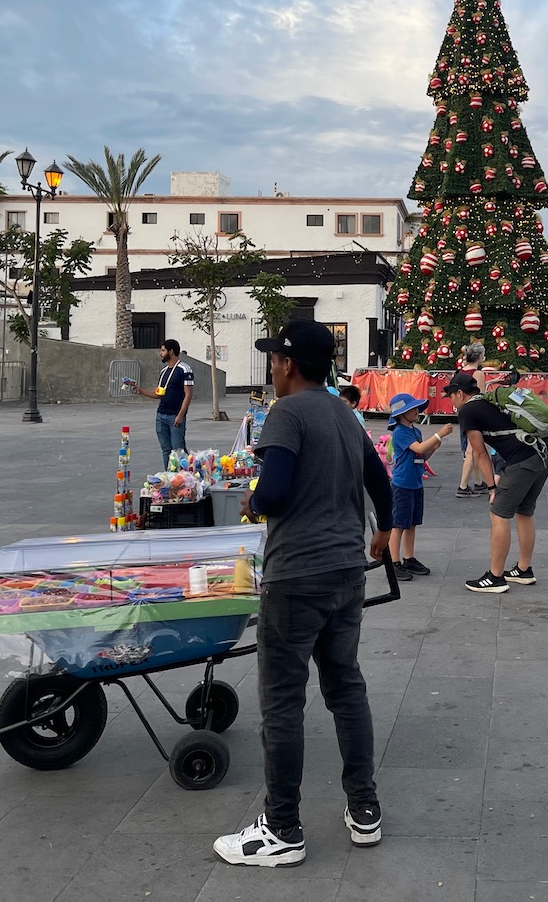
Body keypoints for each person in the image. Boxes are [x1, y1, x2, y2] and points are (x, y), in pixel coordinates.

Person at [213, 319, 393, 869]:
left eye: (273, 358)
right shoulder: (343, 410)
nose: (270, 366)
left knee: (283, 703)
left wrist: (252, 503)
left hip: (296, 579)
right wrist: (383, 530)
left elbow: (274, 490)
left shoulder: (286, 413)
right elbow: (378, 480)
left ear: (288, 364)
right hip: (346, 571)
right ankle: (364, 809)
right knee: (346, 687)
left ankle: (283, 829)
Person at [441, 371, 548, 593]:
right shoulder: (488, 400)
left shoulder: (468, 410)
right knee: (524, 511)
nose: (451, 401)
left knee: (498, 513)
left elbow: (480, 453)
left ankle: (495, 577)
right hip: (544, 454)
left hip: (523, 460)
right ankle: (523, 570)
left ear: (460, 393)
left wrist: (491, 487)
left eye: (451, 396)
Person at [385, 392, 452, 581]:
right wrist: (439, 435)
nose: (416, 411)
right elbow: (419, 449)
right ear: (402, 413)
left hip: (415, 482)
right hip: (403, 484)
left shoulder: (415, 431)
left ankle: (409, 558)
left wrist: (432, 447)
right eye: (412, 408)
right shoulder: (400, 433)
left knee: (412, 523)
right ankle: (394, 562)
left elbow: (421, 457)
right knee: (399, 524)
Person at [126, 339, 194, 470]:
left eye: (163, 350)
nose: (160, 353)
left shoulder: (184, 369)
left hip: (175, 416)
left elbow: (188, 394)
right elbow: (159, 393)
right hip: (161, 416)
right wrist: (141, 391)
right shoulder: (163, 372)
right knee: (166, 450)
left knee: (177, 451)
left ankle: (182, 479)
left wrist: (180, 415)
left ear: (171, 351)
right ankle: (168, 476)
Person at [455, 344, 489, 498]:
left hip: (463, 412)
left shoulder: (460, 372)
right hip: (475, 412)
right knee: (472, 449)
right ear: (480, 357)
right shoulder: (478, 374)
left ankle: (478, 482)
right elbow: (480, 396)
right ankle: (462, 486)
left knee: (474, 448)